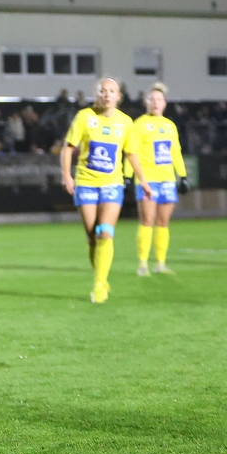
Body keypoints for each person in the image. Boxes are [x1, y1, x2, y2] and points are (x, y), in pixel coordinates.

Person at [60, 77, 152, 303]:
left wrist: (144, 180)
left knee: (105, 232)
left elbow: (131, 153)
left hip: (112, 184)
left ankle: (99, 286)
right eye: (103, 90)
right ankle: (102, 277)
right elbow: (68, 147)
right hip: (86, 182)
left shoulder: (126, 122)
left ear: (118, 97)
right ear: (97, 94)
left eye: (112, 91)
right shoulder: (84, 117)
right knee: (92, 237)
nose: (107, 94)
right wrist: (66, 175)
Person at [126, 83, 189, 275]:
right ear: (146, 102)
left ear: (165, 103)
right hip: (147, 180)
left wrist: (183, 175)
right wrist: (128, 176)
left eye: (159, 100)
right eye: (152, 99)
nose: (155, 103)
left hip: (167, 179)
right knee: (147, 220)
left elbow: (175, 152)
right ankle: (143, 264)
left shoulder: (170, 126)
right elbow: (131, 152)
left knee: (163, 222)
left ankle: (160, 263)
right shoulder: (139, 124)